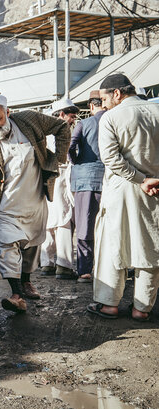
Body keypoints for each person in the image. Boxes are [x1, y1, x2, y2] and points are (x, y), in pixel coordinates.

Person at [0, 94, 70, 313]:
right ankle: (16, 293)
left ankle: (26, 281)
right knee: (6, 246)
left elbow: (62, 127)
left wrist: (58, 159)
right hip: (4, 205)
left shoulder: (29, 121)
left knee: (31, 244)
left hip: (34, 199)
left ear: (7, 113)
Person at [87, 74, 159, 322]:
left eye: (105, 98)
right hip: (155, 191)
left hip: (122, 189)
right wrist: (152, 179)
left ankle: (109, 305)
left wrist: (140, 179)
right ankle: (142, 309)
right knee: (150, 248)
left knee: (113, 245)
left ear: (117, 93)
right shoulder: (157, 111)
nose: (103, 104)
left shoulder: (111, 117)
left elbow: (111, 159)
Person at [40, 98, 80, 280]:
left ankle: (47, 263)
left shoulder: (44, 133)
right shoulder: (58, 133)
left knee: (48, 221)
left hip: (47, 181)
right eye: (71, 116)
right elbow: (63, 160)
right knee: (64, 220)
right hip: (59, 179)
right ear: (62, 114)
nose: (72, 120)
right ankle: (63, 265)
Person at [69, 91, 106, 283]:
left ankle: (84, 271)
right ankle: (107, 269)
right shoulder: (113, 120)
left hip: (85, 180)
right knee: (108, 225)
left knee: (84, 225)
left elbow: (70, 146)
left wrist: (78, 162)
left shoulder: (84, 123)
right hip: (109, 179)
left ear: (91, 106)